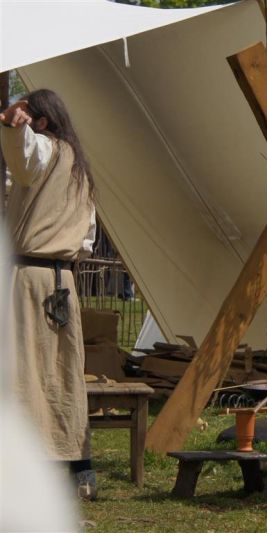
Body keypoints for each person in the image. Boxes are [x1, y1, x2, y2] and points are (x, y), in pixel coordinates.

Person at [0, 89, 97, 499]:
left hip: (28, 280)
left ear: (40, 121)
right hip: (63, 283)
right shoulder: (81, 169)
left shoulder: (45, 150)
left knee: (21, 370)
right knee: (63, 372)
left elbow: (24, 155)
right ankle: (79, 470)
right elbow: (87, 239)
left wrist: (11, 124)